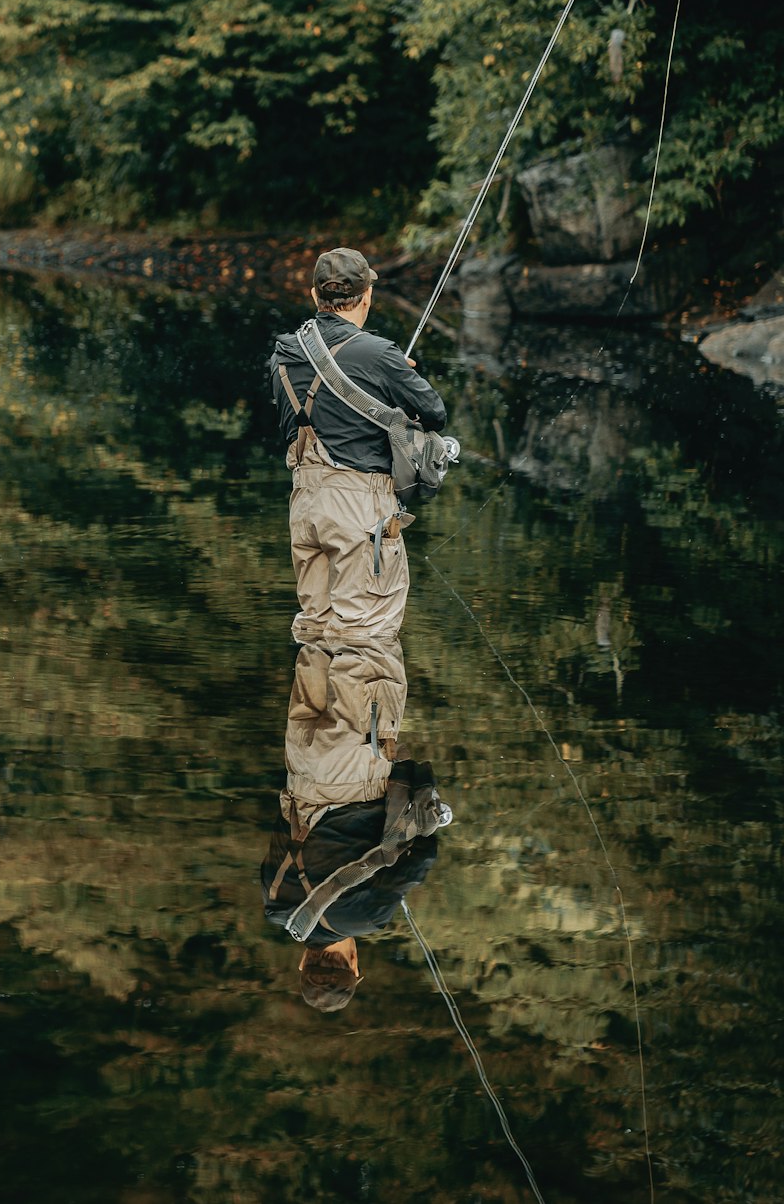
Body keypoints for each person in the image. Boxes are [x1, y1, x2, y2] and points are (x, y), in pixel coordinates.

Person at [269, 247, 446, 647]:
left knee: (314, 630)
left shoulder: (284, 354)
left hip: (304, 505)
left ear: (315, 297)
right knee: (365, 640)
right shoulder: (381, 354)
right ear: (367, 296)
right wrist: (397, 375)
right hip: (360, 510)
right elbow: (434, 414)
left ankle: (313, 708)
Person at [260, 641, 447, 1012]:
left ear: (354, 965)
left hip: (355, 773)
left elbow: (424, 856)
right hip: (300, 769)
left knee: (367, 638)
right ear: (302, 962)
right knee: (316, 637)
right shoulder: (274, 903)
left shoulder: (365, 919)